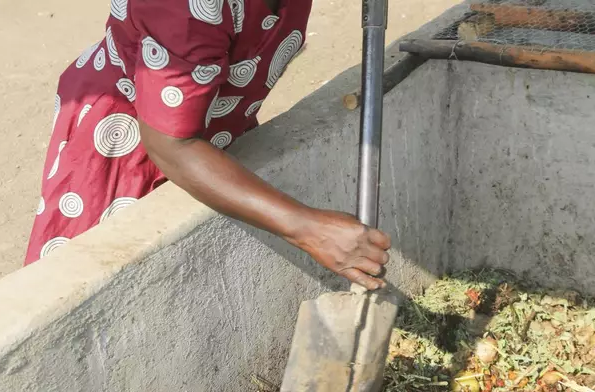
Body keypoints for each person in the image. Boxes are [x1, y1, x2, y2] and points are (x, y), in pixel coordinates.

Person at [25, 0, 391, 290]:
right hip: (127, 146)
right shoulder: (182, 7)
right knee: (100, 287)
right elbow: (171, 144)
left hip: (214, 125)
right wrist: (310, 229)